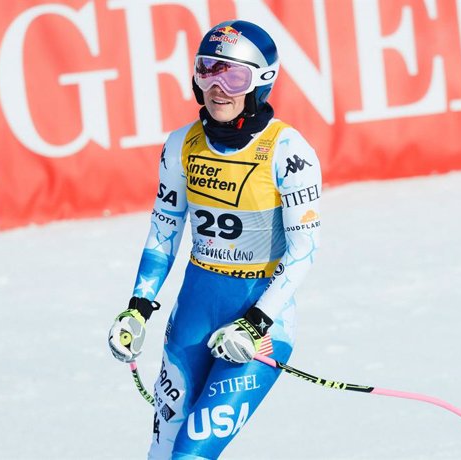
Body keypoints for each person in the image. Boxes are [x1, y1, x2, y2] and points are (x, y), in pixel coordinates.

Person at [107, 19, 321, 459]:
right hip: (194, 314)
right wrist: (137, 308)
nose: (217, 87)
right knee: (162, 450)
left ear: (262, 81)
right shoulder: (180, 145)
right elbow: (164, 231)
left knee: (190, 454)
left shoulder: (288, 150)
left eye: (234, 75)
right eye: (208, 69)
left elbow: (303, 253)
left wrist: (257, 321)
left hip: (261, 327)